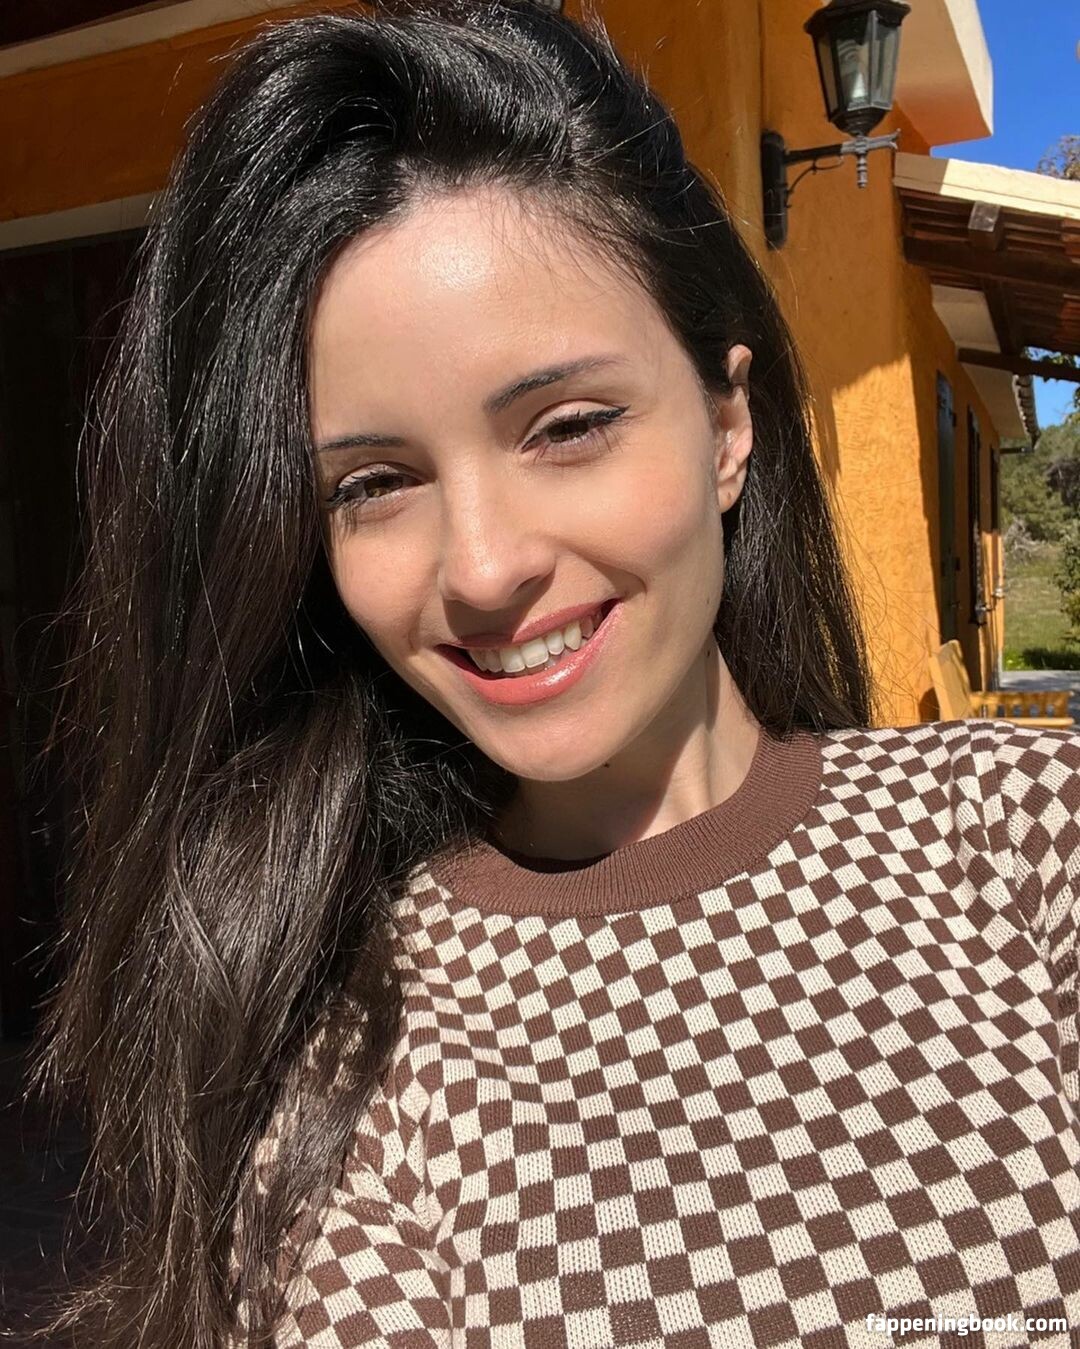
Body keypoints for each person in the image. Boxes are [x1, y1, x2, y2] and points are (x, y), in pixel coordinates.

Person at [18, 1, 1080, 1346]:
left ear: (728, 425)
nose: (481, 567)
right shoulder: (350, 1051)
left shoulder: (1024, 828)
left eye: (568, 425)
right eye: (375, 483)